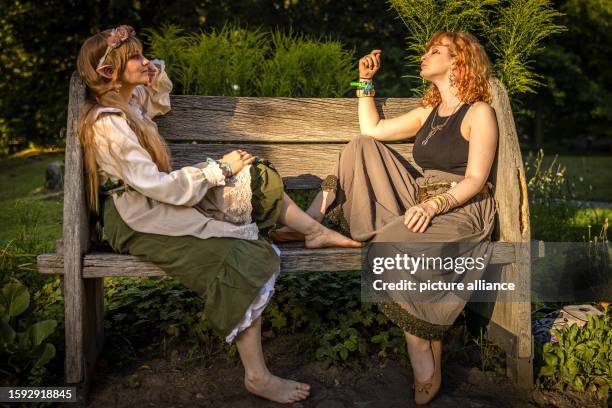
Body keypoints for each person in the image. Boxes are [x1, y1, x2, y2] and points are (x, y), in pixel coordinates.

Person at [76, 25, 362, 405]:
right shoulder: (107, 124)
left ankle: (313, 231)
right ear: (109, 72)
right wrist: (217, 171)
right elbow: (157, 186)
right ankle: (257, 377)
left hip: (160, 201)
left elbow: (159, 97)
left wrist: (147, 69)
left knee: (253, 176)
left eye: (142, 55)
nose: (145, 62)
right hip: (137, 218)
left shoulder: (131, 103)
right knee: (237, 256)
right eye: (134, 58)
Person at [270, 31, 499, 405]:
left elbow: (475, 180)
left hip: (459, 208)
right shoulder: (429, 112)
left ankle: (423, 346)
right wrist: (365, 81)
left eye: (435, 51)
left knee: (390, 250)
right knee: (361, 146)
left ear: (458, 62)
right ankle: (310, 223)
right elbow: (371, 130)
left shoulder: (479, 113)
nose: (425, 56)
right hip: (417, 199)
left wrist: (434, 205)